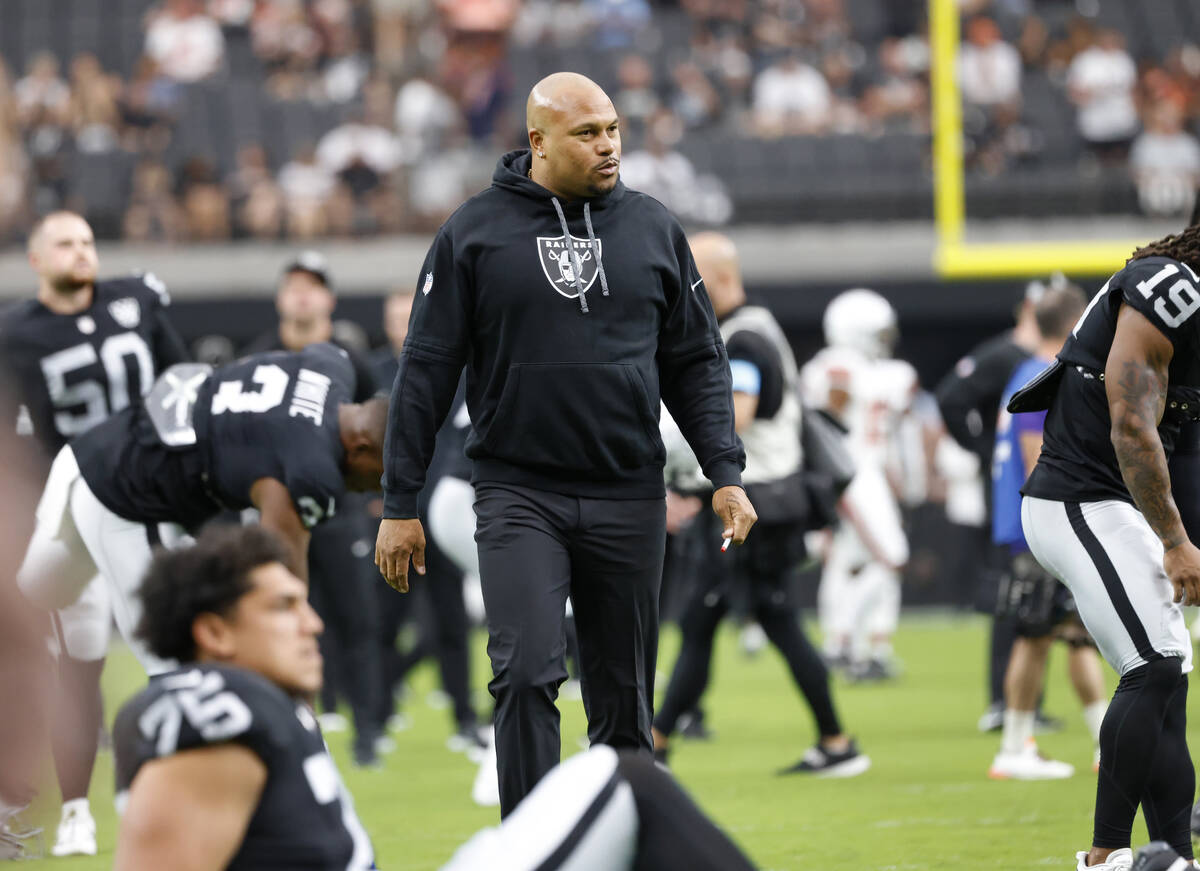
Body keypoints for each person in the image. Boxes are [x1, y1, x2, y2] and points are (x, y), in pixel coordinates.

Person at [375, 71, 755, 817]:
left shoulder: (652, 228)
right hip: (519, 492)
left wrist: (725, 472)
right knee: (524, 675)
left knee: (622, 700)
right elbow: (423, 371)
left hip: (629, 492)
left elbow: (697, 362)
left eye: (613, 129)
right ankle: (533, 844)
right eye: (588, 133)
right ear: (538, 141)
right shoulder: (473, 232)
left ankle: (617, 845)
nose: (609, 145)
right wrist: (399, 499)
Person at [17, 342, 388, 674]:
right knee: (173, 659)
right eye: (381, 476)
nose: (377, 489)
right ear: (359, 447)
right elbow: (281, 567)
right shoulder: (311, 466)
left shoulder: (330, 365)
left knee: (31, 596)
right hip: (126, 494)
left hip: (104, 450)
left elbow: (318, 363)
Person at [0, 210, 187, 857]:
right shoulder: (15, 332)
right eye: (64, 242)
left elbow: (181, 382)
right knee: (74, 649)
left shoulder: (136, 297)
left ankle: (181, 787)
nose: (81, 252)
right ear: (35, 259)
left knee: (167, 642)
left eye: (86, 240)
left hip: (148, 494)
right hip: (73, 501)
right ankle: (71, 805)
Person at [650, 232, 867, 776]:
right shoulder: (747, 330)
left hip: (752, 505)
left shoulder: (744, 339)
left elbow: (732, 419)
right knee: (752, 621)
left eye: (691, 275)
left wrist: (667, 454)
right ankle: (834, 742)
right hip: (755, 502)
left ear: (719, 278)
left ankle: (654, 743)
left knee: (712, 621)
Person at [1017, 228, 1200, 870]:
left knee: (1168, 672)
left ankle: (1172, 856)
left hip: (1113, 506)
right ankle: (1105, 857)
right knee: (1151, 664)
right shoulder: (1173, 287)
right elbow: (1130, 423)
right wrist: (1176, 543)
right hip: (1079, 498)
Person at [112, 524, 375, 870]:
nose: (312, 624)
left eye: (304, 604)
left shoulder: (274, 708)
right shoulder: (219, 712)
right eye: (284, 607)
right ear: (215, 633)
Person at [243, 252, 384, 767]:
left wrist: (376, 497)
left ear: (328, 297)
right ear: (281, 296)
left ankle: (369, 732)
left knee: (356, 620)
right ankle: (294, 723)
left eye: (313, 286)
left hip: (340, 510)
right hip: (281, 515)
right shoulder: (258, 358)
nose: (303, 295)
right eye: (294, 285)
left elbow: (373, 430)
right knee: (281, 619)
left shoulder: (350, 357)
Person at [987, 281, 1108, 780]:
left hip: (1035, 523)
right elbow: (1039, 458)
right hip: (1041, 523)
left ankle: (1106, 741)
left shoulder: (1028, 370)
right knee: (1035, 634)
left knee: (1077, 632)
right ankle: (1014, 747)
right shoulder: (1041, 374)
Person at [370, 288, 484, 756]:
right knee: (383, 624)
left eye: (408, 314)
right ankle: (373, 725)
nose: (403, 323)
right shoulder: (372, 374)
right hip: (388, 517)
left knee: (451, 624)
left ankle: (464, 721)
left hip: (438, 515)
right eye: (394, 315)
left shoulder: (451, 369)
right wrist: (373, 503)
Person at [936, 282, 1041, 731]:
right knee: (1011, 595)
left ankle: (1024, 703)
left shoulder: (1040, 359)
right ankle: (1004, 701)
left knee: (1038, 604)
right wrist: (982, 449)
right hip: (1014, 493)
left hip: (1029, 491)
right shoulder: (1008, 358)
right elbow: (950, 398)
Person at [801, 288, 915, 680]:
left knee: (847, 561)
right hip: (852, 474)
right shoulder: (841, 367)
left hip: (865, 472)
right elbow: (824, 426)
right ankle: (844, 642)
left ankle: (845, 644)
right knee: (892, 557)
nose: (885, 339)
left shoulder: (868, 369)